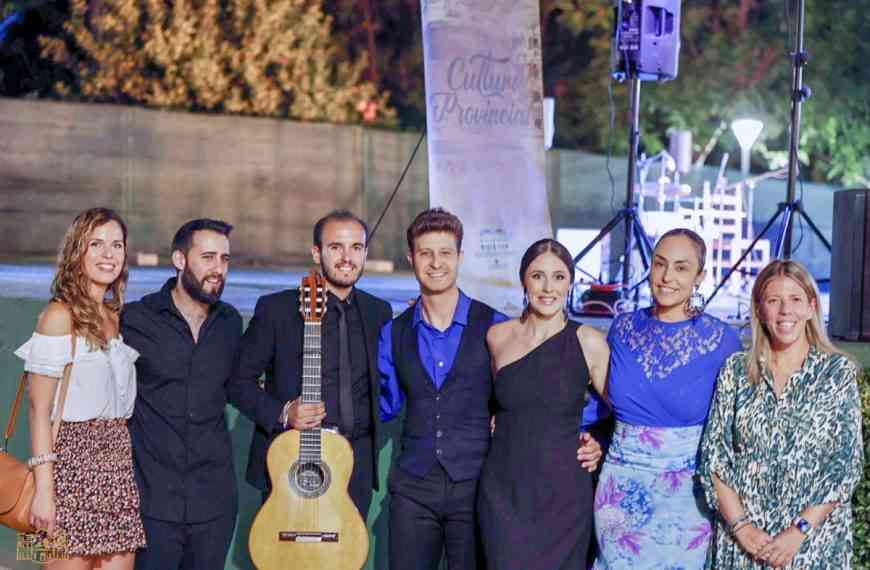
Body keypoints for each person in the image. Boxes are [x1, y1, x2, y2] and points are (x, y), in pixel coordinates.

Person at [379, 208, 603, 570]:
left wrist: (588, 437)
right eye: (425, 253)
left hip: (476, 485)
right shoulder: (395, 331)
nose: (436, 263)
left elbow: (544, 393)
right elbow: (382, 404)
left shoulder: (495, 328)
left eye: (446, 253)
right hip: (414, 487)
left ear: (460, 258)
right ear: (411, 258)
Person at [699, 260, 864, 569]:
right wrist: (742, 527)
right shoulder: (735, 371)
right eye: (774, 300)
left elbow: (845, 464)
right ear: (760, 310)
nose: (785, 310)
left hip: (814, 544)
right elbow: (714, 458)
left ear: (812, 307)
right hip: (743, 547)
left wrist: (798, 531)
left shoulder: (836, 373)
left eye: (796, 299)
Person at [593, 228, 742, 569]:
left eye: (681, 267)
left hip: (688, 496)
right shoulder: (623, 328)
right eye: (660, 264)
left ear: (700, 276)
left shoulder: (722, 340)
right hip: (621, 487)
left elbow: (737, 426)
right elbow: (603, 407)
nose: (667, 276)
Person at [122, 219, 267, 570]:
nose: (218, 269)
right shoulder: (135, 319)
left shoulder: (231, 322)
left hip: (213, 505)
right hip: (151, 502)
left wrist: (285, 412)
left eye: (225, 259)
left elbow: (239, 387)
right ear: (179, 259)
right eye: (208, 257)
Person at [230, 209, 392, 520]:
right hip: (293, 462)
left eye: (356, 248)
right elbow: (237, 382)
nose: (347, 258)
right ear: (317, 252)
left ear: (365, 253)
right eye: (336, 247)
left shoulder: (378, 312)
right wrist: (283, 412)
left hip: (354, 465)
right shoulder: (276, 310)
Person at [16, 207, 145, 568]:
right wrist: (45, 492)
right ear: (78, 252)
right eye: (97, 244)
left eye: (117, 245)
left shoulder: (114, 317)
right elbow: (38, 411)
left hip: (117, 468)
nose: (109, 254)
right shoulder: (58, 315)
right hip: (67, 470)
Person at [477, 239, 610, 570]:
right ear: (524, 280)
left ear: (570, 282)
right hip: (503, 493)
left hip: (564, 495)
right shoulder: (497, 337)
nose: (548, 287)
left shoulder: (589, 342)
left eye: (559, 277)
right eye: (538, 276)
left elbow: (623, 413)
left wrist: (599, 442)